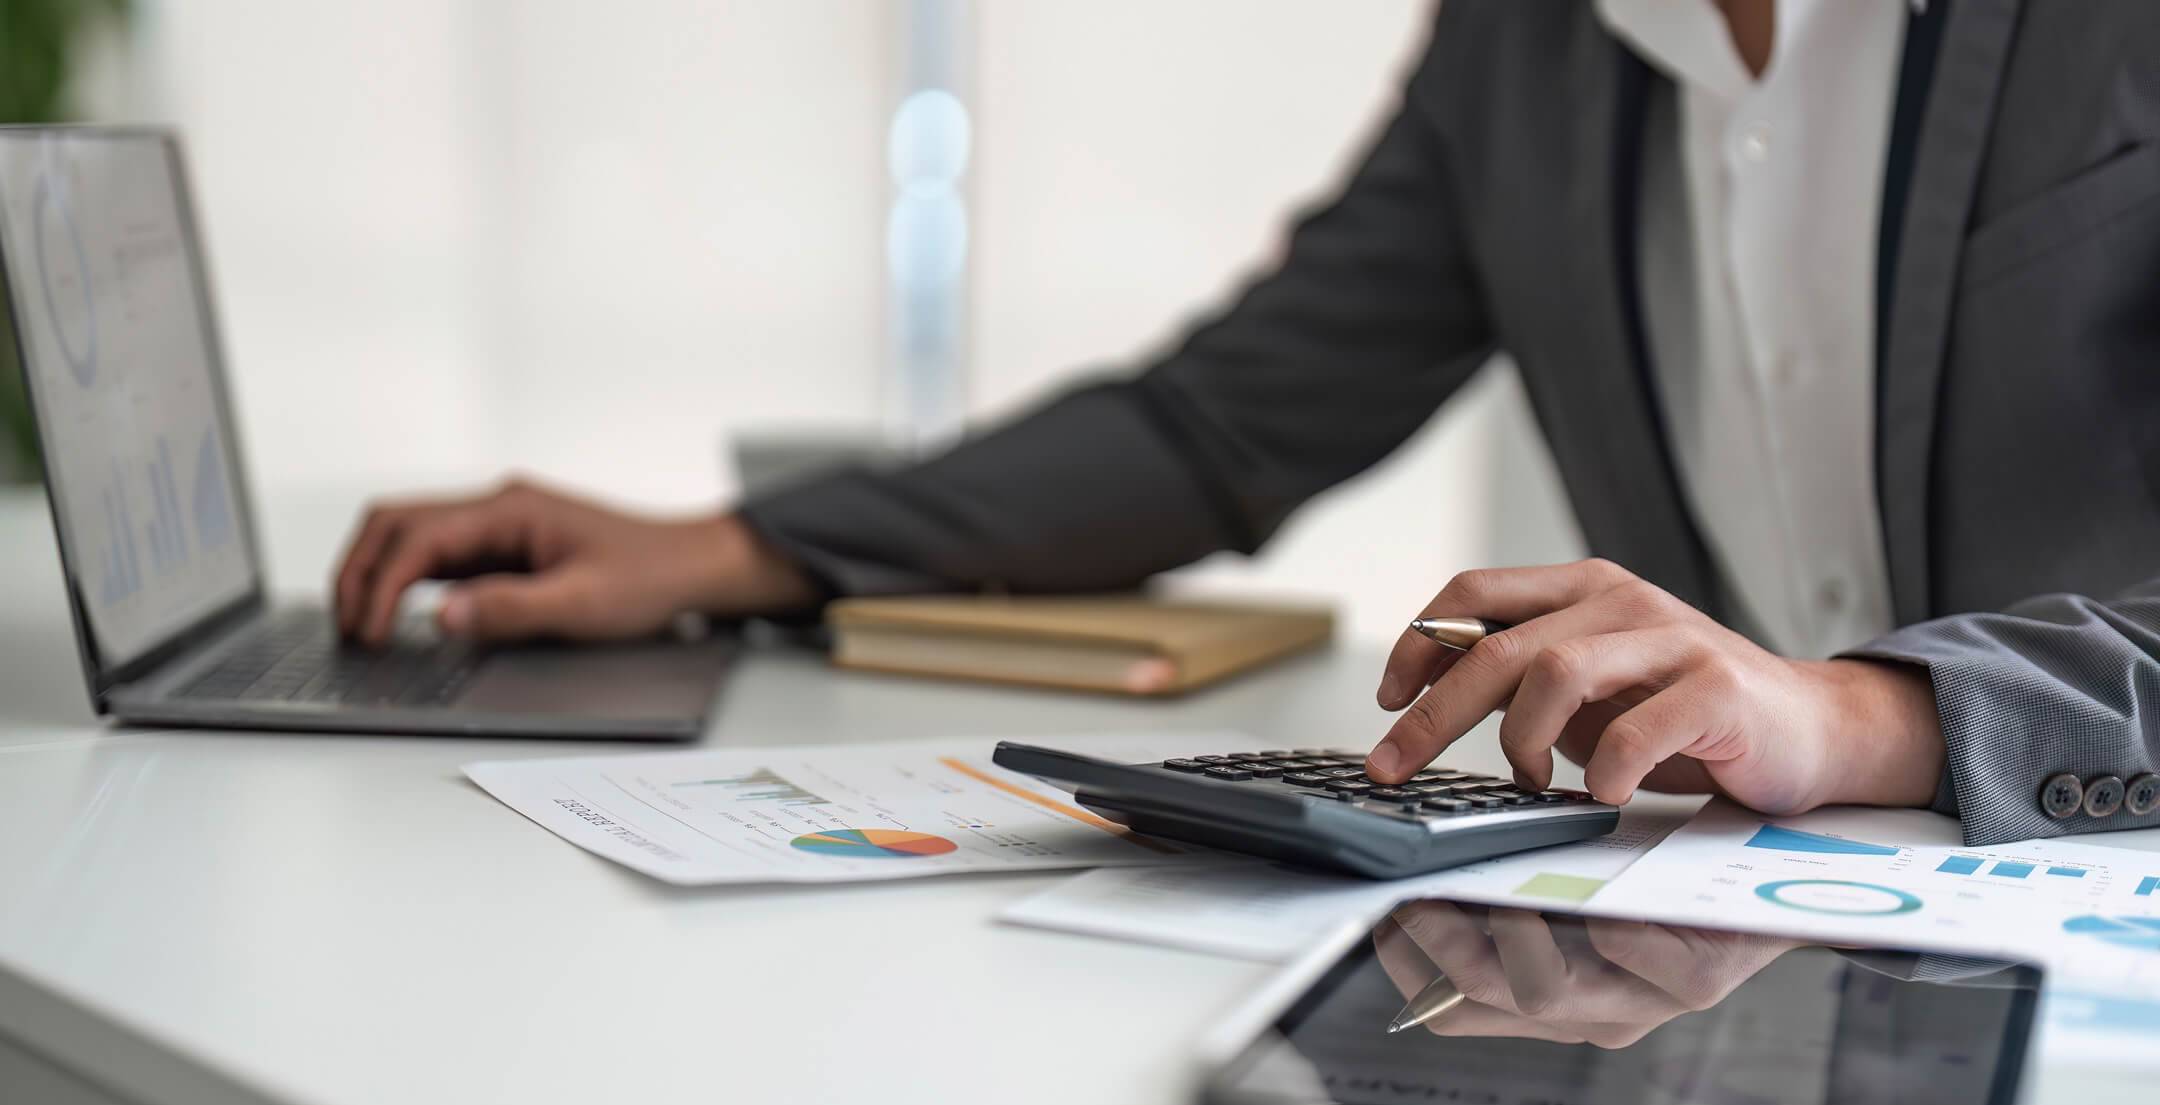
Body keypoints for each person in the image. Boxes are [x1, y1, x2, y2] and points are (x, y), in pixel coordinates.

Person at [333, 0, 2160, 846]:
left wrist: (1860, 712)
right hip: (1717, 950)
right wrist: (734, 551)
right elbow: (1225, 422)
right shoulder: (1524, 48)